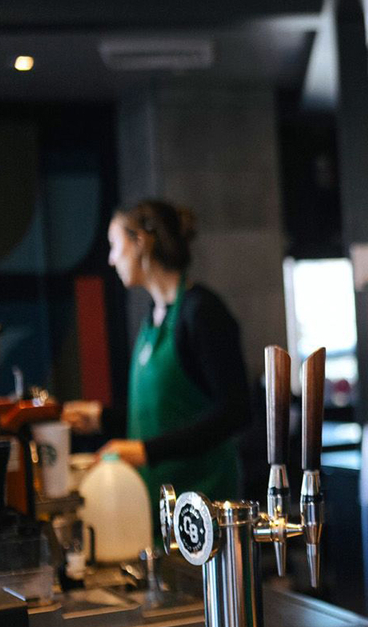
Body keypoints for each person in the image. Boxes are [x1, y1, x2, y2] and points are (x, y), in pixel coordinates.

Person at [69, 199, 250, 508]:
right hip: (161, 499)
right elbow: (163, 414)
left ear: (140, 242)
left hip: (203, 502)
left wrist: (145, 451)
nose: (111, 260)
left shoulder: (202, 313)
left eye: (115, 245)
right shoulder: (154, 316)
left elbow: (234, 412)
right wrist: (100, 417)